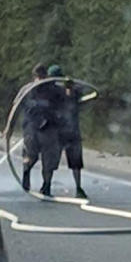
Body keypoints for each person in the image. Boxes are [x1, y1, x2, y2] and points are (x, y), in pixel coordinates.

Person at [20, 64, 62, 196]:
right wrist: (9, 128)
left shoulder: (54, 90)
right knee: (31, 155)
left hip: (50, 129)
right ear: (34, 77)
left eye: (43, 76)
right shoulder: (27, 90)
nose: (41, 79)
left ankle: (47, 185)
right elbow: (17, 107)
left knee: (49, 159)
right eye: (39, 76)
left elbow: (66, 104)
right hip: (31, 128)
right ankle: (26, 173)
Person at [49, 64, 87, 198]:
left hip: (72, 132)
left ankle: (78, 187)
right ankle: (46, 184)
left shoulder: (73, 90)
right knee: (52, 160)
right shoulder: (52, 93)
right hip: (58, 132)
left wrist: (70, 87)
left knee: (76, 161)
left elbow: (81, 94)